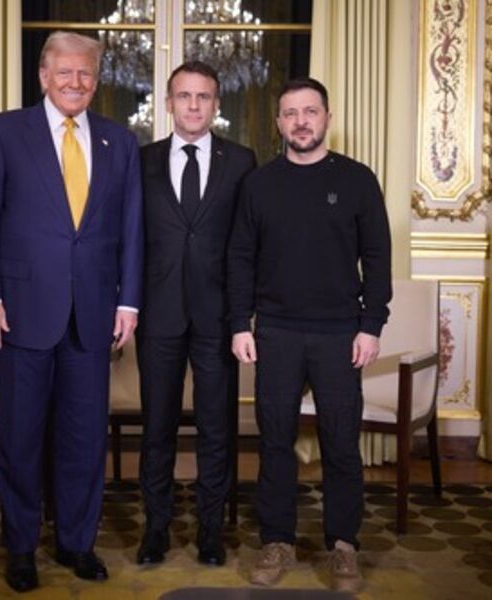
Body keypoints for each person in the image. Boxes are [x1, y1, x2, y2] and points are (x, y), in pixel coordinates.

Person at [0, 31, 143, 593]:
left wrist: (128, 301)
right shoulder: (3, 132)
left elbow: (131, 229)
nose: (75, 82)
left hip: (93, 314)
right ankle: (21, 547)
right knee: (19, 437)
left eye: (85, 73)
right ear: (43, 76)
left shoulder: (119, 141)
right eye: (64, 72)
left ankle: (75, 542)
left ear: (97, 79)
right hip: (19, 312)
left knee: (84, 438)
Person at [227, 77, 392, 592]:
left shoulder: (358, 180)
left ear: (327, 118)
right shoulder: (258, 184)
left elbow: (378, 258)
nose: (301, 122)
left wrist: (371, 326)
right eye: (291, 113)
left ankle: (343, 545)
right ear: (279, 122)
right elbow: (240, 258)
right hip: (275, 331)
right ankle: (277, 541)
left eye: (310, 111)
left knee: (341, 443)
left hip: (341, 333)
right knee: (274, 441)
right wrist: (240, 323)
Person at [136, 61, 256, 567]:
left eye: (203, 96)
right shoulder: (140, 160)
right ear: (168, 103)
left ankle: (211, 531)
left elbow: (248, 243)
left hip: (218, 319)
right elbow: (129, 239)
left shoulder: (242, 161)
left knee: (216, 429)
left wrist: (244, 316)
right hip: (157, 314)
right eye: (183, 96)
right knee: (157, 429)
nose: (193, 105)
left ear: (216, 104)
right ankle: (156, 529)